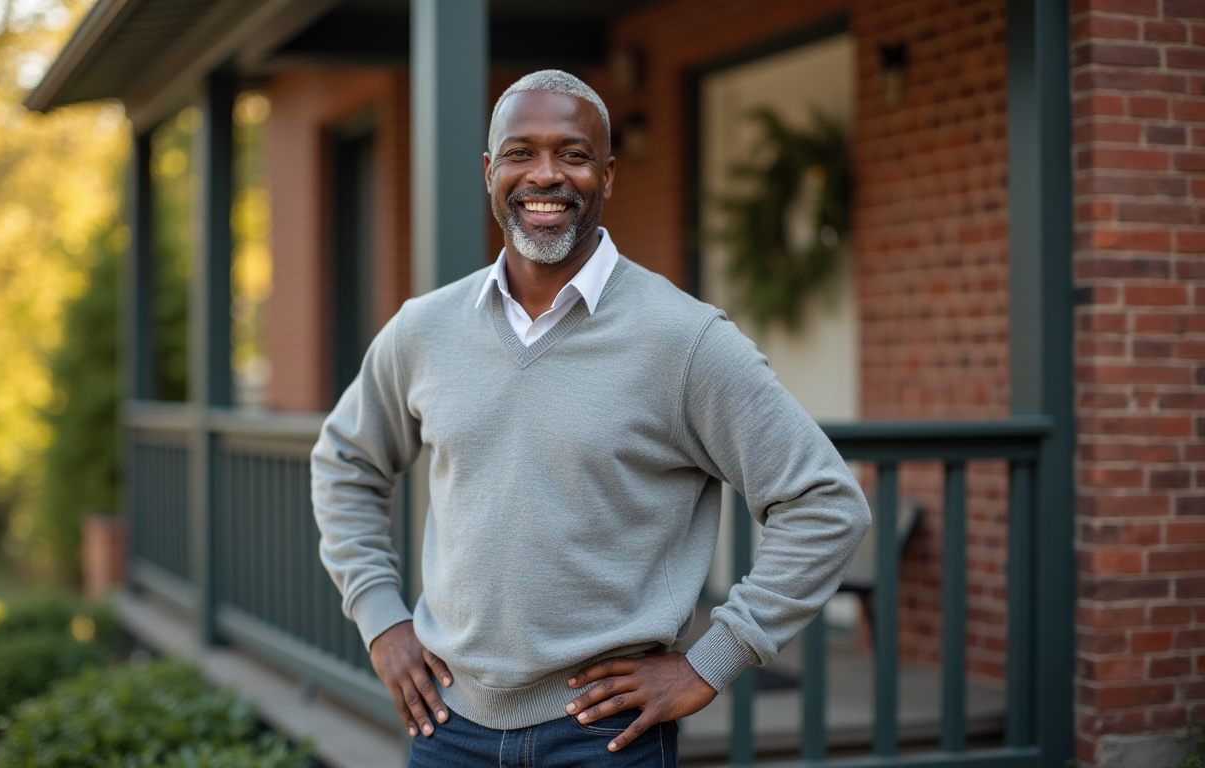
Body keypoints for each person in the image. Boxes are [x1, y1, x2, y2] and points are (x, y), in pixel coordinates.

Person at [310, 69, 871, 767]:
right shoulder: (424, 330)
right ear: (490, 172)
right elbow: (344, 463)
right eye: (520, 153)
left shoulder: (685, 340)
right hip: (447, 729)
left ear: (608, 175)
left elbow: (826, 503)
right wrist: (382, 620)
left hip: (606, 738)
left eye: (572, 155)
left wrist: (709, 663)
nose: (545, 175)